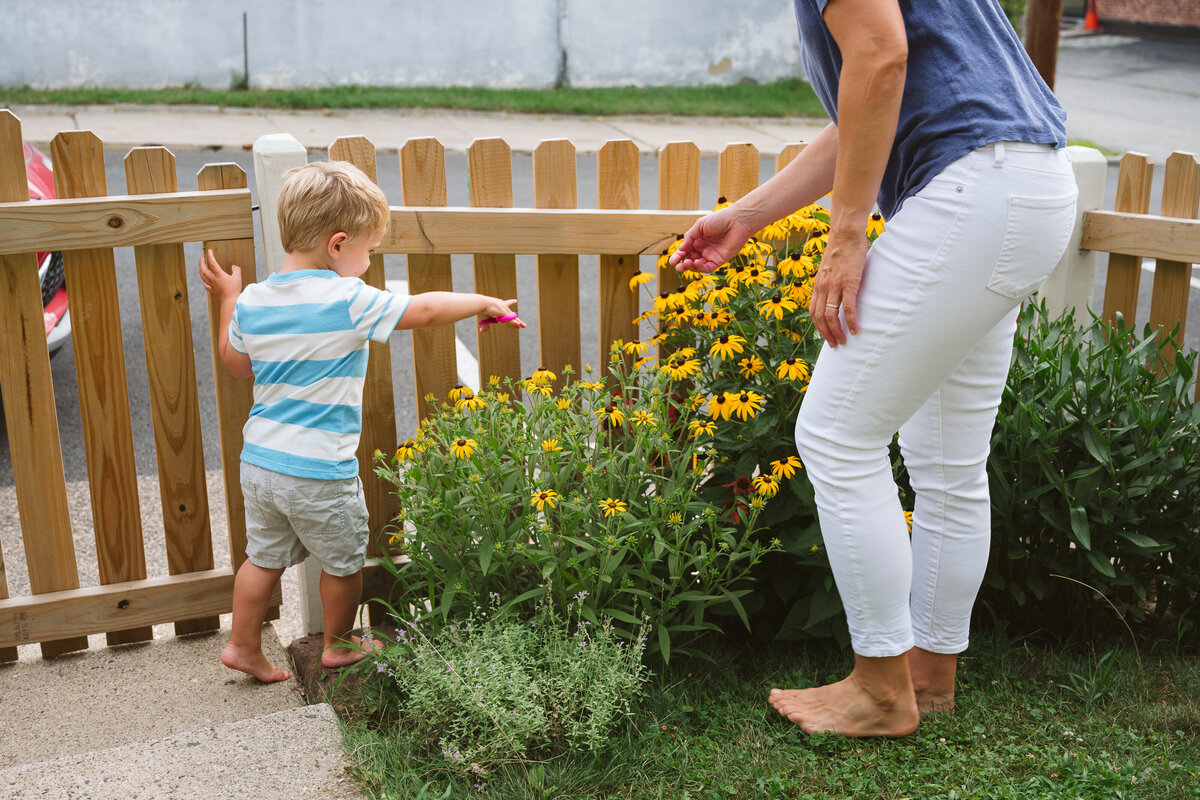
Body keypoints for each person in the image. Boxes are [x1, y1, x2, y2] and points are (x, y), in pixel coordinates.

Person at [670, 0, 1077, 736]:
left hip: (974, 191)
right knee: (948, 459)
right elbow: (869, 101)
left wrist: (847, 232)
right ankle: (928, 674)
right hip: (1027, 184)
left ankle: (882, 691)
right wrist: (751, 215)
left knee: (836, 435)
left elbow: (881, 57)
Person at [200, 160, 525, 682]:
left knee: (261, 559)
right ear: (337, 244)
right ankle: (337, 645)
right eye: (369, 250)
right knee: (344, 562)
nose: (370, 262)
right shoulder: (346, 297)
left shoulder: (255, 299)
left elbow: (236, 364)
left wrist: (229, 299)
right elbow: (421, 310)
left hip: (260, 464)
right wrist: (481, 302)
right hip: (319, 471)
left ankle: (242, 645)